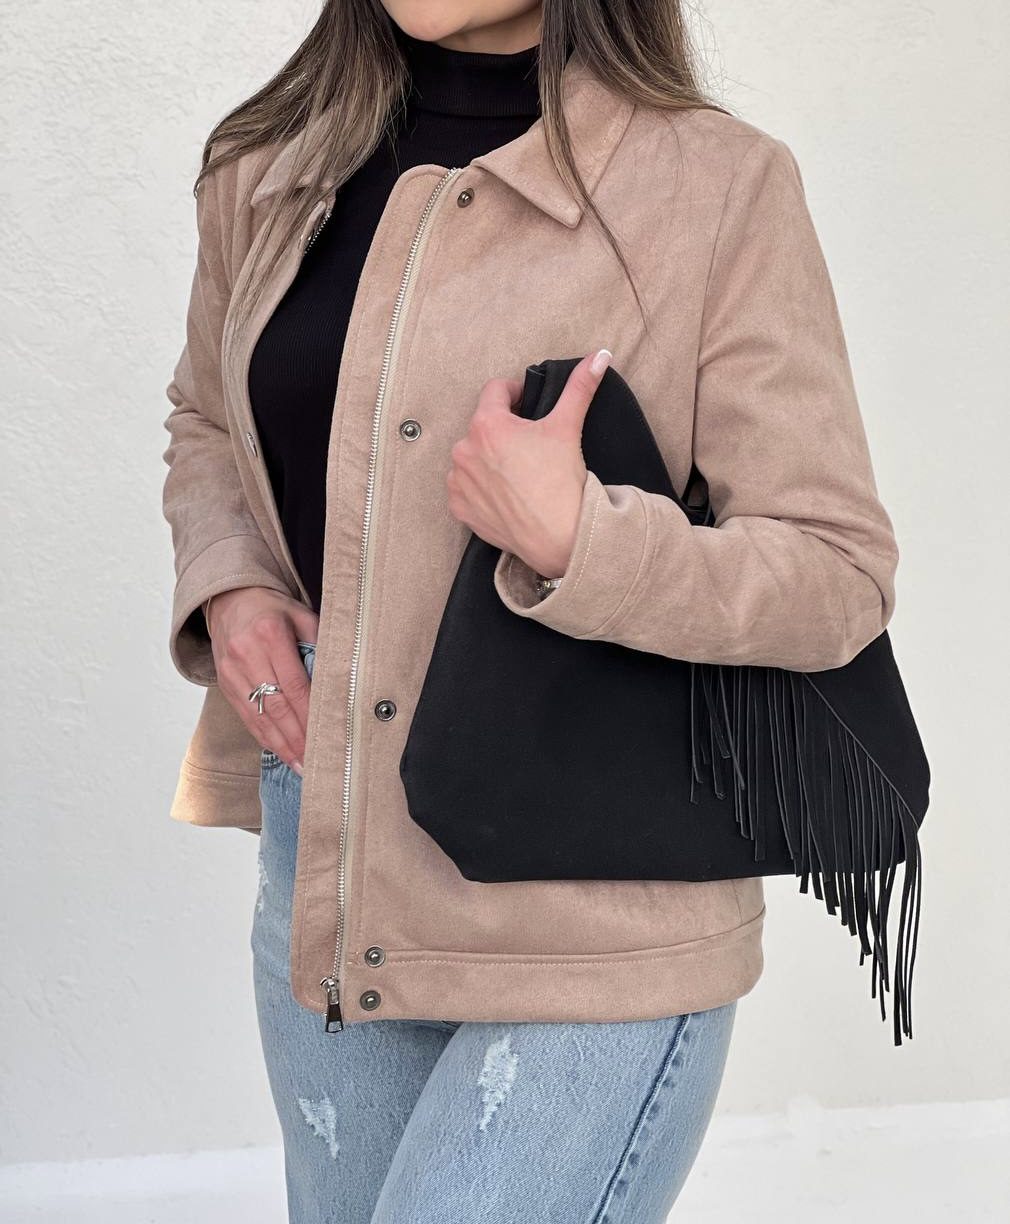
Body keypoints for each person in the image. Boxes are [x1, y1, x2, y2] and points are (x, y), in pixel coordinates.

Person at [160, 2, 899, 1219]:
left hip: (590, 914)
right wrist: (231, 583)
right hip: (329, 874)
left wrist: (578, 542)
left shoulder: (715, 188)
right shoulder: (266, 167)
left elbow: (835, 573)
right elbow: (205, 417)